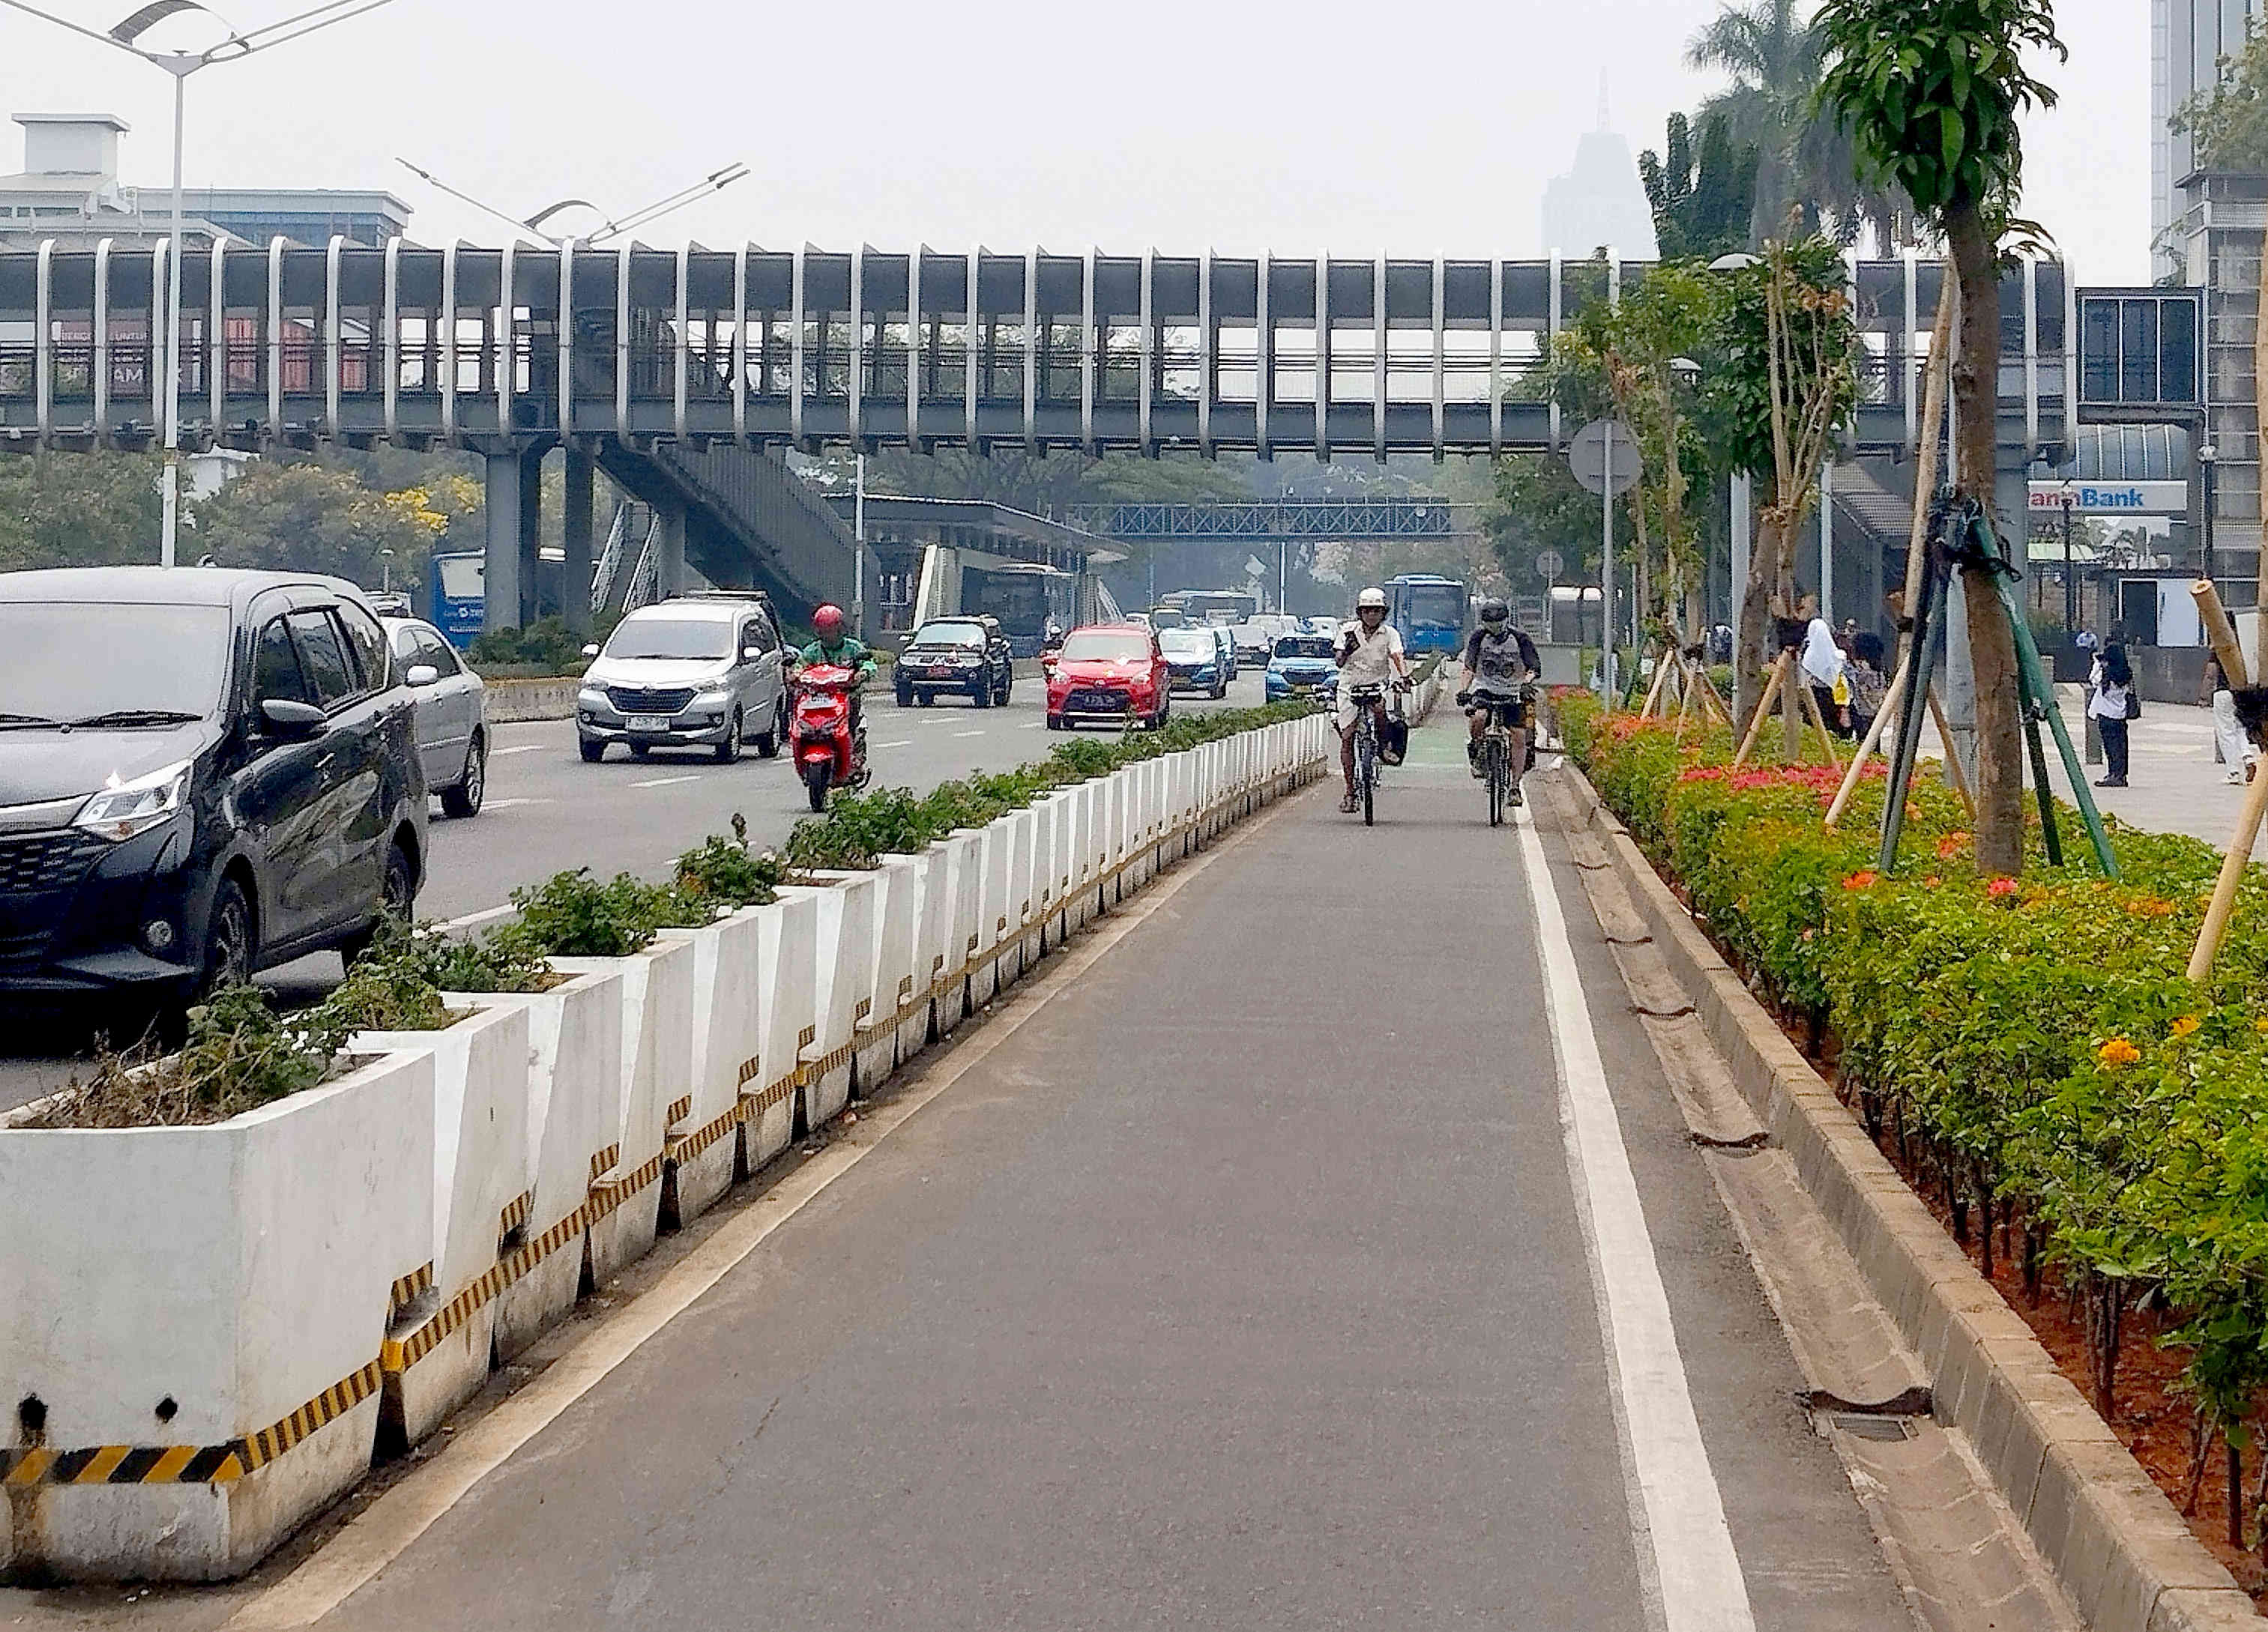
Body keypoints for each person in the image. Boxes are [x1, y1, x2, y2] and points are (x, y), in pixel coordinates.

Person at [1334, 586, 1410, 813]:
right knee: (1347, 738)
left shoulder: (1390, 634)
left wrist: (1404, 677)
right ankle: (1349, 791)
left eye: (1376, 611)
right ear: (1360, 613)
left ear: (1383, 613)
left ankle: (1385, 746)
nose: (1371, 615)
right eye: (1367, 611)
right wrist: (1346, 650)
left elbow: (1397, 656)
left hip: (1377, 683)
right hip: (1350, 687)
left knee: (1379, 710)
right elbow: (1338, 662)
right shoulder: (1348, 631)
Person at [1459, 597, 1540, 803]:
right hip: (1485, 688)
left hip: (1513, 691)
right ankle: (1477, 750)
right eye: (1490, 622)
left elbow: (1533, 668)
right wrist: (1463, 690)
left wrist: (1526, 683)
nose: (1494, 626)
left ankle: (1515, 787)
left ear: (1506, 619)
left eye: (1498, 621)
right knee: (1478, 717)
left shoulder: (1520, 638)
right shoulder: (1478, 637)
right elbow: (1469, 667)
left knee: (1519, 735)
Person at [794, 603, 878, 740]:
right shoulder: (812, 651)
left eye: (831, 629)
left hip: (847, 696)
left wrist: (863, 673)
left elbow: (868, 663)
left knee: (852, 722)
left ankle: (852, 741)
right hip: (816, 698)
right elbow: (800, 665)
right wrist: (795, 674)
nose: (828, 634)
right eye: (824, 630)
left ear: (840, 629)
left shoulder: (853, 648)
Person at [2201, 651, 2257, 786]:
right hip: (2242, 692)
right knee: (2240, 728)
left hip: (2224, 692)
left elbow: (2210, 674)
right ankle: (2248, 756)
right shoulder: (2244, 645)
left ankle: (2233, 772)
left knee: (2226, 732)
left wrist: (2204, 696)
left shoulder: (2221, 646)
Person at [2088, 632, 2134, 788]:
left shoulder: (2106, 675)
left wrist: (2097, 663)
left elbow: (2093, 679)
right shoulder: (2125, 674)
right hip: (2120, 715)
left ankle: (2114, 774)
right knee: (2121, 746)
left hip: (2106, 715)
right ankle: (2120, 774)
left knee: (2110, 746)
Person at [1800, 614, 1850, 739]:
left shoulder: (1809, 656)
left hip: (1813, 695)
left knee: (1814, 728)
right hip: (1833, 696)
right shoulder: (1836, 654)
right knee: (1832, 729)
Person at [1845, 630, 1888, 741]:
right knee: (1873, 740)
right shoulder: (1879, 668)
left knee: (1864, 740)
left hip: (1862, 711)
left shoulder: (1862, 670)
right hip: (1876, 711)